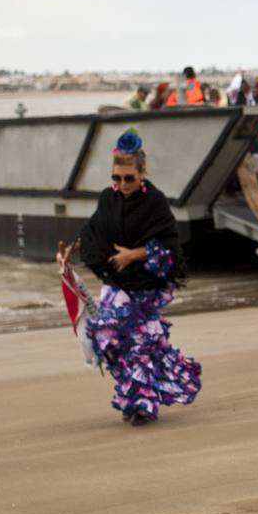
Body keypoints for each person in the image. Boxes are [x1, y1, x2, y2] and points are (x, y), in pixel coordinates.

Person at [74, 129, 201, 425]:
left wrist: (134, 254)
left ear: (142, 173)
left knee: (140, 345)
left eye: (129, 178)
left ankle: (143, 405)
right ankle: (132, 396)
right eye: (116, 178)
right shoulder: (108, 198)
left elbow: (169, 247)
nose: (122, 184)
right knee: (110, 341)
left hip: (145, 285)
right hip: (115, 283)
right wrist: (76, 250)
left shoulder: (155, 202)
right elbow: (93, 232)